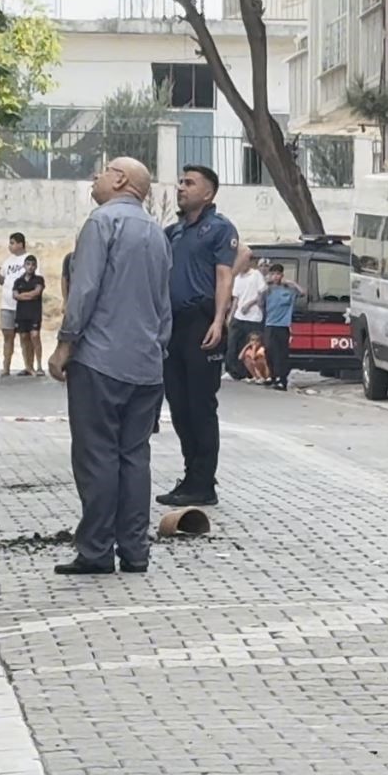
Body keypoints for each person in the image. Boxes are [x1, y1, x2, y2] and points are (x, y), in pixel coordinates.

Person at [48, 156, 172, 576]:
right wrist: (157, 351)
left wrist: (65, 346)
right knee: (134, 457)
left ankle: (97, 549)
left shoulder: (102, 223)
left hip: (100, 361)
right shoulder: (157, 233)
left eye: (101, 171)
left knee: (97, 455)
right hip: (147, 365)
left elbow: (83, 292)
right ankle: (135, 551)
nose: (95, 178)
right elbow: (163, 307)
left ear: (120, 179)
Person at [158, 165, 237, 508]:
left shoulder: (219, 229)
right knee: (178, 405)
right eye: (180, 182)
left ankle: (204, 482)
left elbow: (224, 277)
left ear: (208, 193)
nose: (181, 187)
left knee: (201, 405)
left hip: (201, 322)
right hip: (173, 325)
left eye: (190, 183)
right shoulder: (173, 232)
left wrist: (219, 321)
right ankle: (191, 475)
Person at [0, 233, 28, 376]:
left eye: (12, 243)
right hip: (6, 304)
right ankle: (6, 367)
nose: (10, 246)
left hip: (22, 305)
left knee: (25, 336)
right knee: (7, 336)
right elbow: (2, 281)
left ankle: (29, 366)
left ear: (21, 244)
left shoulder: (27, 260)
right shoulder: (8, 261)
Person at [262, 262, 305, 391]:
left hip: (283, 325)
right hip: (270, 324)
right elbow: (260, 302)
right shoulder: (268, 290)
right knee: (269, 351)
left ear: (282, 275)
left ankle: (282, 379)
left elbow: (302, 292)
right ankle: (273, 376)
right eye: (273, 274)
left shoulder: (288, 290)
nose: (275, 276)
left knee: (281, 353)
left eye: (278, 274)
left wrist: (293, 283)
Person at [225, 246, 264, 380]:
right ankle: (232, 371)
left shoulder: (256, 275)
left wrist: (249, 304)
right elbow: (236, 297)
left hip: (253, 318)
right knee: (232, 344)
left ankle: (248, 372)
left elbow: (261, 295)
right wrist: (231, 315)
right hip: (239, 317)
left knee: (248, 346)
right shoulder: (237, 278)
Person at [12, 255, 46, 376]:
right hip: (22, 314)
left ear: (35, 266)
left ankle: (40, 366)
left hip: (34, 313)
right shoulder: (18, 281)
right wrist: (27, 295)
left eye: (32, 265)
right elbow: (15, 295)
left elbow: (36, 293)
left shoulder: (39, 280)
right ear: (24, 266)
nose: (30, 267)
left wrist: (23, 296)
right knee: (24, 338)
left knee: (35, 336)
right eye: (28, 264)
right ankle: (28, 366)